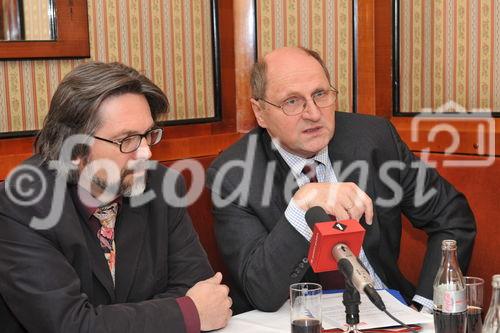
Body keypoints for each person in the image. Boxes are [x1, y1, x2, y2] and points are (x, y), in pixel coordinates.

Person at [206, 47, 476, 314]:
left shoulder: (374, 139)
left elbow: (453, 219)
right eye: (292, 101)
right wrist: (301, 208)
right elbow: (261, 291)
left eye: (320, 94)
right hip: (300, 321)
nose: (312, 113)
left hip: (387, 310)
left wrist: (427, 307)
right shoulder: (233, 175)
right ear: (260, 112)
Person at [0, 62, 232, 332]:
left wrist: (105, 320)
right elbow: (69, 325)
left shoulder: (161, 185)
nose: (145, 153)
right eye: (128, 140)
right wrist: (186, 312)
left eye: (147, 135)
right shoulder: (22, 206)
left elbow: (200, 288)